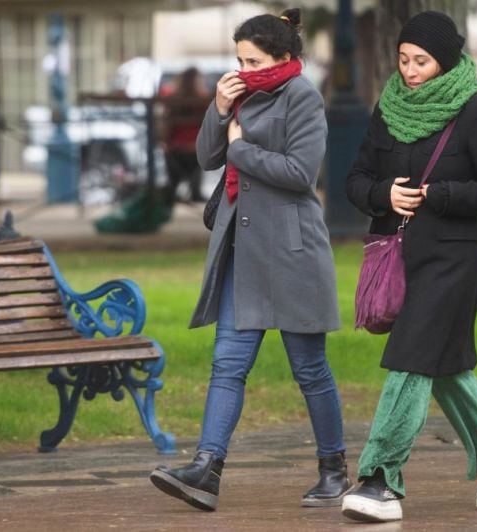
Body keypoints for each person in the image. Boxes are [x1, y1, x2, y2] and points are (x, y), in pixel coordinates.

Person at [149, 8, 350, 511]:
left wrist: (240, 150)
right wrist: (218, 109)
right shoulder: (240, 94)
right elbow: (204, 158)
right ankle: (207, 467)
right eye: (238, 59)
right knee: (227, 364)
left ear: (284, 57)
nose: (243, 69)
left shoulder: (303, 97)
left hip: (291, 251)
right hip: (243, 251)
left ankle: (334, 469)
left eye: (253, 60)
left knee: (310, 369)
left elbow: (301, 173)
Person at [341, 11, 477, 523]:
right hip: (401, 256)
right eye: (403, 59)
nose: (410, 70)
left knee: (410, 358)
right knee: (443, 369)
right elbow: (355, 179)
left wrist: (442, 195)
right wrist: (384, 193)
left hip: (452, 258)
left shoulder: (475, 110)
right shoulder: (388, 108)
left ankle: (380, 478)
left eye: (421, 61)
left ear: (445, 62)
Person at [160, 67, 209, 203]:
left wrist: (166, 142)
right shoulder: (203, 98)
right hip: (195, 147)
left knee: (173, 177)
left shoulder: (173, 98)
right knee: (197, 162)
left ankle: (172, 192)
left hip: (176, 147)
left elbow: (166, 125)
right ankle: (195, 192)